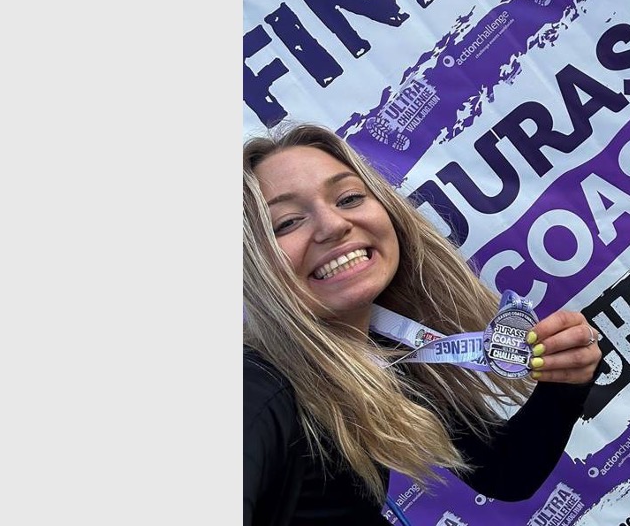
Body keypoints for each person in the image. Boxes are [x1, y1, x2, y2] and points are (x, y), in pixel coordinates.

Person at [243, 123, 603, 525]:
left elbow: (506, 471)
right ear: (252, 268)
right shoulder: (256, 385)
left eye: (348, 197)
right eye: (287, 223)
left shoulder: (382, 350)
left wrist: (564, 386)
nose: (333, 225)